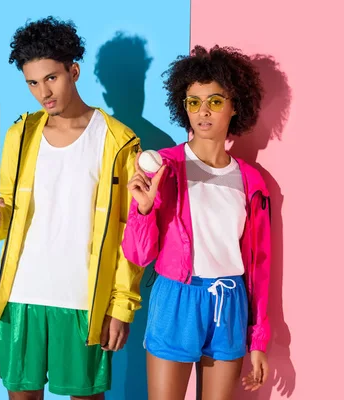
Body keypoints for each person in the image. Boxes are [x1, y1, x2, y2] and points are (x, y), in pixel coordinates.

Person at [0, 17, 143, 400]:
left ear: (74, 71)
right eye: (32, 82)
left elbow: (130, 231)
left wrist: (121, 306)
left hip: (84, 302)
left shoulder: (118, 141)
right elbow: (6, 218)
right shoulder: (21, 133)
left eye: (51, 78)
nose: (42, 92)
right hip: (20, 297)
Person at [121, 45, 271, 400]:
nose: (203, 112)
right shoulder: (165, 167)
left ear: (235, 105)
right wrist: (142, 211)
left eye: (215, 101)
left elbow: (260, 264)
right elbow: (139, 255)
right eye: (193, 102)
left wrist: (259, 338)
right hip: (176, 299)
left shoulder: (252, 181)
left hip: (228, 304)